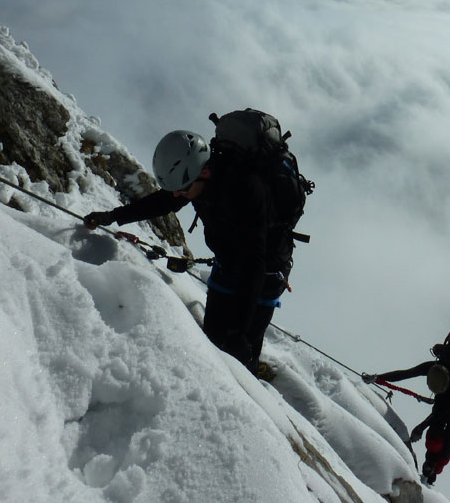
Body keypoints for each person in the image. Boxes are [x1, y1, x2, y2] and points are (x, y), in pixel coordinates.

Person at [83, 129, 294, 376]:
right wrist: (112, 216)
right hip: (228, 264)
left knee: (240, 353)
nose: (177, 195)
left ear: (204, 172)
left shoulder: (247, 190)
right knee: (213, 342)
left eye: (182, 189)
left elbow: (254, 263)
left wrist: (238, 333)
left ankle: (250, 380)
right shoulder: (193, 179)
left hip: (264, 274)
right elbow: (162, 202)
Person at [363, 328, 450, 486]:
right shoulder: (436, 367)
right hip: (446, 399)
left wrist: (419, 428)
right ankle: (429, 469)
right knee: (434, 436)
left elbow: (443, 411)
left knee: (444, 449)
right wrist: (378, 378)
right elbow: (406, 374)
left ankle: (431, 475)